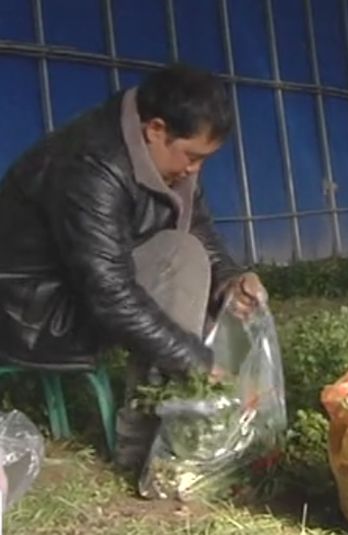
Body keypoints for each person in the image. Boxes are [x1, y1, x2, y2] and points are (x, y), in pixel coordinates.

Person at [0, 64, 268, 472]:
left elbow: (197, 227)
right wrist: (194, 359)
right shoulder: (92, 166)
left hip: (82, 284)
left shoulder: (163, 159)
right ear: (156, 129)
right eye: (193, 156)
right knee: (179, 260)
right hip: (33, 312)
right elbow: (109, 293)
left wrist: (231, 279)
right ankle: (150, 450)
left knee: (186, 251)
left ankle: (173, 431)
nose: (195, 169)